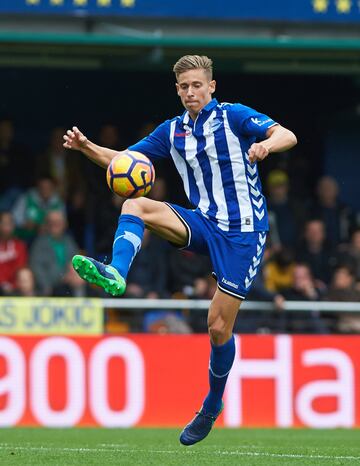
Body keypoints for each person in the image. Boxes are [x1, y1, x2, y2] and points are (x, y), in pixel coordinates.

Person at [63, 55, 297, 445]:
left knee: (218, 327)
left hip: (243, 234)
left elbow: (287, 134)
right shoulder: (172, 132)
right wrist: (87, 147)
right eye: (184, 86)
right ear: (177, 90)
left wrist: (266, 147)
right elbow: (125, 162)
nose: (191, 92)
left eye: (196, 85)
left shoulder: (235, 116)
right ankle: (117, 271)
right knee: (134, 204)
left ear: (211, 86)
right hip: (203, 222)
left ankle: (212, 405)